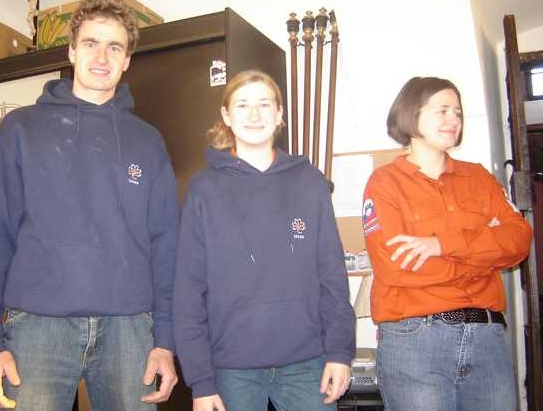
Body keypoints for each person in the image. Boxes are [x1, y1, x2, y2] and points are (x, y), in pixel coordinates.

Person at [0, 0, 179, 411]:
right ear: (71, 51)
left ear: (127, 60)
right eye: (90, 43)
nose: (101, 57)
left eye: (114, 47)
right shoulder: (21, 129)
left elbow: (166, 246)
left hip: (129, 329)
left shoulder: (148, 142)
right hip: (37, 327)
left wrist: (166, 341)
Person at [173, 69, 356, 411]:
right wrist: (200, 380)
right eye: (242, 105)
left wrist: (339, 353)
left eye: (264, 104)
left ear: (279, 114)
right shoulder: (203, 189)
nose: (254, 115)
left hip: (308, 364)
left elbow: (332, 275)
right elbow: (189, 290)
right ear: (227, 115)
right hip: (230, 369)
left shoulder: (309, 182)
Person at [362, 76, 533, 411]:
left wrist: (442, 245)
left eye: (458, 112)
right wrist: (484, 258)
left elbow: (519, 239)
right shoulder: (385, 184)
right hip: (417, 341)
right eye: (442, 110)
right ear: (411, 114)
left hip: (487, 339)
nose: (453, 119)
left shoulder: (479, 177)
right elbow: (396, 267)